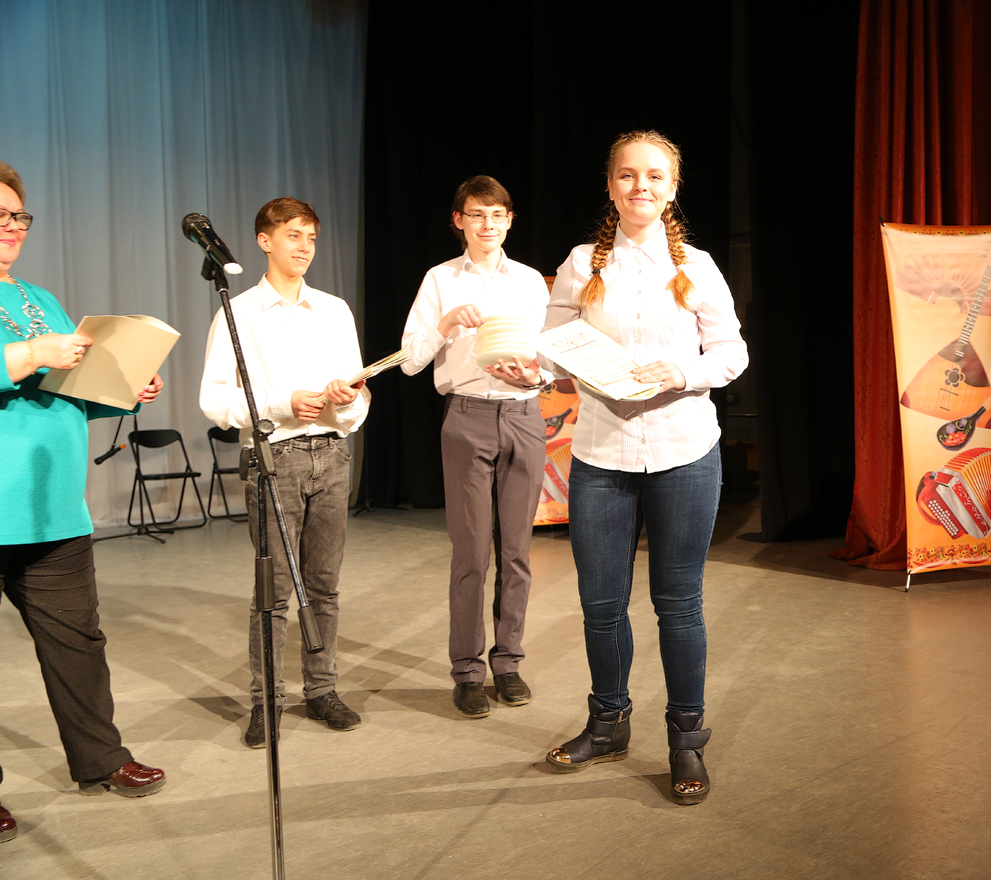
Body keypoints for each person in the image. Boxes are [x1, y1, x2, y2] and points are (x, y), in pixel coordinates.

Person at [541, 132, 748, 805]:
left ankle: (686, 740)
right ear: (610, 186)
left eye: (654, 176)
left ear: (672, 187)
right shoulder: (581, 264)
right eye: (628, 175)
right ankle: (608, 724)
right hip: (601, 454)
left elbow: (732, 353)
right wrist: (532, 366)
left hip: (684, 450)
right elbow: (552, 350)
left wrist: (681, 372)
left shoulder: (699, 266)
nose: (641, 186)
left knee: (678, 604)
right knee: (601, 605)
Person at [0, 161, 167, 842]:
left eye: (18, 215)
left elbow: (69, 393)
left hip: (52, 508)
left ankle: (100, 758)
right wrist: (29, 352)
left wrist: (125, 390)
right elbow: (28, 365)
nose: (12, 227)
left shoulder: (38, 296)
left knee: (78, 642)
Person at [200, 197, 369, 748]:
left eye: (311, 237)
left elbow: (357, 400)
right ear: (264, 241)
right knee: (272, 592)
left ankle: (322, 689)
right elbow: (214, 399)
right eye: (293, 235)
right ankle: (266, 701)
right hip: (276, 460)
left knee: (324, 586)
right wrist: (281, 404)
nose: (304, 247)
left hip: (332, 455)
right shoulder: (238, 312)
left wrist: (348, 400)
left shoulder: (334, 310)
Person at [401, 175, 550, 718]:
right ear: (459, 220)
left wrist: (535, 377)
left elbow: (551, 358)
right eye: (477, 214)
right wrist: (444, 324)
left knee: (517, 552)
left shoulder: (531, 281)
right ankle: (467, 670)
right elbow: (410, 360)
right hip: (467, 417)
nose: (488, 224)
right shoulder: (440, 279)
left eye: (497, 214)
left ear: (509, 221)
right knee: (470, 553)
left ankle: (507, 663)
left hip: (524, 416)